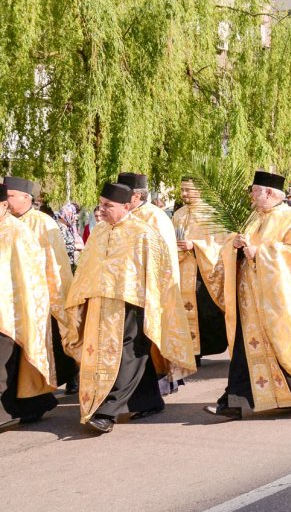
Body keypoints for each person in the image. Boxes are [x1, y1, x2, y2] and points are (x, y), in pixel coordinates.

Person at [202, 172, 291, 419]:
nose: (251, 196)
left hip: (278, 303)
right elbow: (235, 247)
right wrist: (236, 246)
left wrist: (259, 252)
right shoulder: (254, 217)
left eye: (254, 191)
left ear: (270, 193)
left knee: (281, 348)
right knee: (244, 351)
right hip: (250, 302)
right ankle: (233, 402)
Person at [63, 183, 193, 433]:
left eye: (108, 206)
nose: (102, 210)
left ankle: (106, 411)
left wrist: (154, 303)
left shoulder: (144, 233)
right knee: (114, 354)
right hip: (101, 302)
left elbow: (159, 272)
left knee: (130, 353)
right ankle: (149, 401)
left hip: (132, 303)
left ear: (125, 206)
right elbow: (88, 268)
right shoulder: (100, 231)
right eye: (100, 204)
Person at [5, 176, 76, 395]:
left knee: (54, 343)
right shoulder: (5, 221)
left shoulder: (42, 222)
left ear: (26, 197)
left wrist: (54, 295)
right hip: (13, 296)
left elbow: (55, 263)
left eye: (10, 196)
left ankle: (70, 376)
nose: (7, 202)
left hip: (41, 295)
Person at [0, 185, 57, 431]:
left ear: (4, 205)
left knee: (3, 364)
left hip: (11, 310)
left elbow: (29, 274)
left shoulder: (17, 232)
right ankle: (29, 405)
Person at [171, 178, 228, 369]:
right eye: (182, 190)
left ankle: (202, 348)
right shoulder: (178, 214)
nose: (184, 194)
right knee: (182, 310)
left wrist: (194, 245)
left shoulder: (212, 214)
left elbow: (220, 243)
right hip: (181, 268)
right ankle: (190, 352)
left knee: (204, 311)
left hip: (201, 270)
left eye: (188, 190)